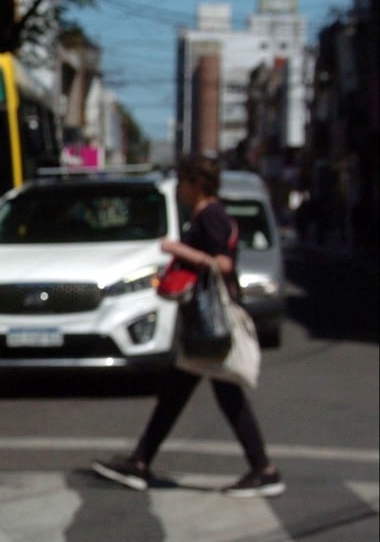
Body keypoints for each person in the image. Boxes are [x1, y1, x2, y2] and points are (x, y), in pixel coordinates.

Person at [93, 153, 284, 498]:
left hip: (209, 321)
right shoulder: (210, 214)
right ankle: (142, 462)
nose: (178, 189)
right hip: (202, 322)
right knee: (188, 392)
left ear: (196, 184)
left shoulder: (211, 216)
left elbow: (223, 264)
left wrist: (177, 249)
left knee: (199, 393)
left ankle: (261, 469)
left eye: (182, 182)